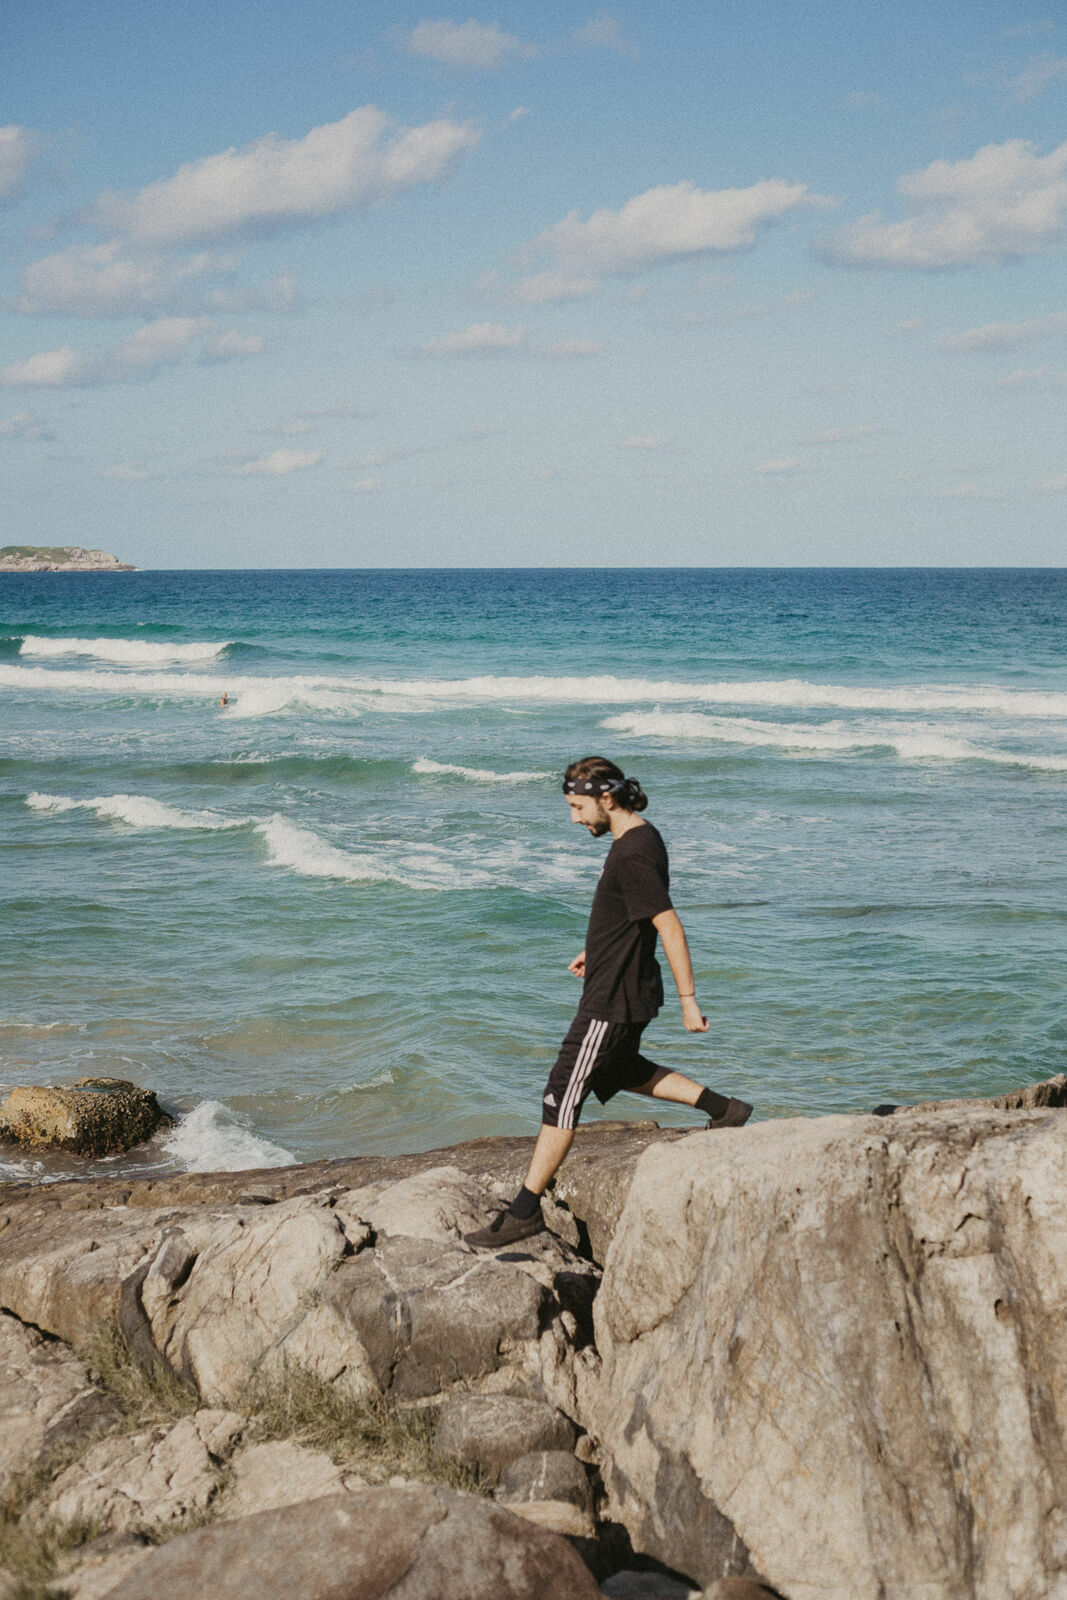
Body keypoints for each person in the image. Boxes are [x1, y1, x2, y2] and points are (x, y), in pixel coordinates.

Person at [464, 755, 752, 1250]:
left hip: (611, 999)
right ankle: (726, 1110)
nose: (574, 819)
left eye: (577, 807)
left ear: (607, 798)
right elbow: (631, 915)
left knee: (561, 1093)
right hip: (622, 984)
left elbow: (668, 924)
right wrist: (596, 947)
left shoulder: (633, 853)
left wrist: (689, 1000)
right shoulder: (642, 836)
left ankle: (525, 1212)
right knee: (620, 1070)